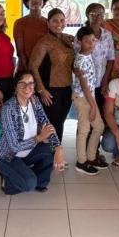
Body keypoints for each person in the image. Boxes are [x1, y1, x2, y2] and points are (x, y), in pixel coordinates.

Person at [0, 70, 65, 194]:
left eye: (31, 83)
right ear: (15, 86)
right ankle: (8, 182)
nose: (27, 88)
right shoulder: (8, 109)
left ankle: (38, 181)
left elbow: (47, 125)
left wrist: (58, 148)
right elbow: (14, 146)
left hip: (27, 152)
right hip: (8, 157)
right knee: (28, 183)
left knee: (52, 148)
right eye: (23, 84)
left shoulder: (34, 101)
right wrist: (39, 138)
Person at [30, 8, 76, 142]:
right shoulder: (44, 41)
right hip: (51, 89)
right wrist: (41, 89)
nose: (59, 24)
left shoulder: (67, 39)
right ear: (48, 23)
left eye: (62, 20)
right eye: (55, 21)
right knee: (50, 124)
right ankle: (48, 156)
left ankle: (57, 153)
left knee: (60, 122)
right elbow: (33, 66)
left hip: (67, 87)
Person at [72, 26, 105, 174]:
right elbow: (84, 87)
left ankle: (91, 157)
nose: (91, 44)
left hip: (89, 97)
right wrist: (92, 106)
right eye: (87, 41)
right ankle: (81, 162)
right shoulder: (82, 61)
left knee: (98, 127)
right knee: (84, 129)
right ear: (80, 42)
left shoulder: (86, 55)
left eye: (93, 41)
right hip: (83, 98)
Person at [77, 3, 115, 125]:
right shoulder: (81, 34)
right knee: (86, 120)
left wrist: (105, 80)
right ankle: (85, 143)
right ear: (88, 16)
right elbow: (76, 57)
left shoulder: (107, 35)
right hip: (85, 85)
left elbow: (110, 58)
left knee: (99, 116)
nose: (97, 17)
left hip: (100, 83)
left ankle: (95, 143)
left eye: (100, 14)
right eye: (93, 14)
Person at [14, 0, 49, 71]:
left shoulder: (48, 23)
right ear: (27, 2)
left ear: (43, 2)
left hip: (45, 67)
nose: (36, 0)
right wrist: (29, 70)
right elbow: (20, 52)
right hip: (25, 68)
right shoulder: (20, 23)